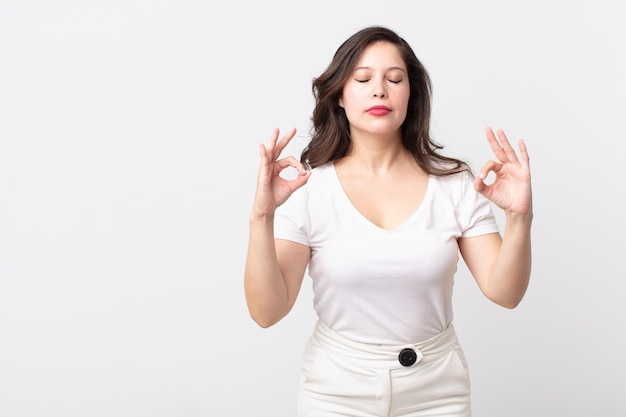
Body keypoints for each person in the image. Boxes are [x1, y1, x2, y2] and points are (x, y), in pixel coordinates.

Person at [244, 25, 532, 417]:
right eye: (363, 78)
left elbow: (506, 292)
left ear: (410, 95)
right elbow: (267, 312)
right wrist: (262, 216)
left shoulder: (455, 186)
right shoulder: (309, 190)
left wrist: (519, 217)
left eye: (394, 79)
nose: (379, 89)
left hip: (438, 391)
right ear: (340, 96)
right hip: (336, 391)